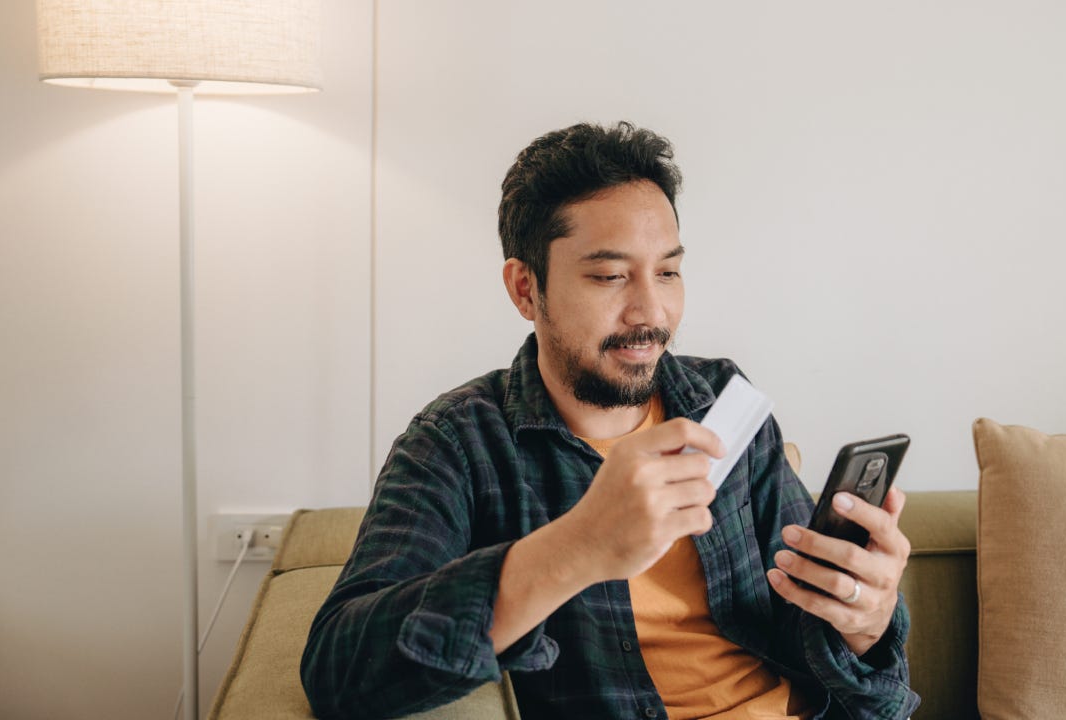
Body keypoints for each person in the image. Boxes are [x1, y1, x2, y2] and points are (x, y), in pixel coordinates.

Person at [301, 122, 920, 720]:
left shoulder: (722, 398)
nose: (651, 311)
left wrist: (864, 621)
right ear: (525, 288)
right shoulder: (458, 443)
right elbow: (338, 670)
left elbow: (799, 620)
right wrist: (579, 546)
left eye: (669, 271)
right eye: (609, 276)